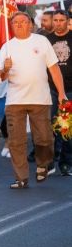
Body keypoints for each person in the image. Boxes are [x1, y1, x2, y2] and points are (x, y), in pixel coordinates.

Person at [0, 12, 66, 188]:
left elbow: (53, 69)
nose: (20, 25)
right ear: (11, 26)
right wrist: (5, 69)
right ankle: (21, 177)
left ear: (30, 24)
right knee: (17, 141)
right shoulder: (7, 46)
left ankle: (43, 164)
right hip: (15, 100)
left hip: (40, 98)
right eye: (16, 22)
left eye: (24, 21)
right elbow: (1, 77)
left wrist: (61, 93)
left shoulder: (41, 41)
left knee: (44, 138)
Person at [46, 10, 72, 175]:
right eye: (55, 20)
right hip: (49, 88)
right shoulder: (46, 40)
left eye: (62, 20)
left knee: (65, 126)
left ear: (67, 21)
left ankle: (65, 161)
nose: (58, 23)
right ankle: (49, 159)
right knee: (48, 125)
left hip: (70, 89)